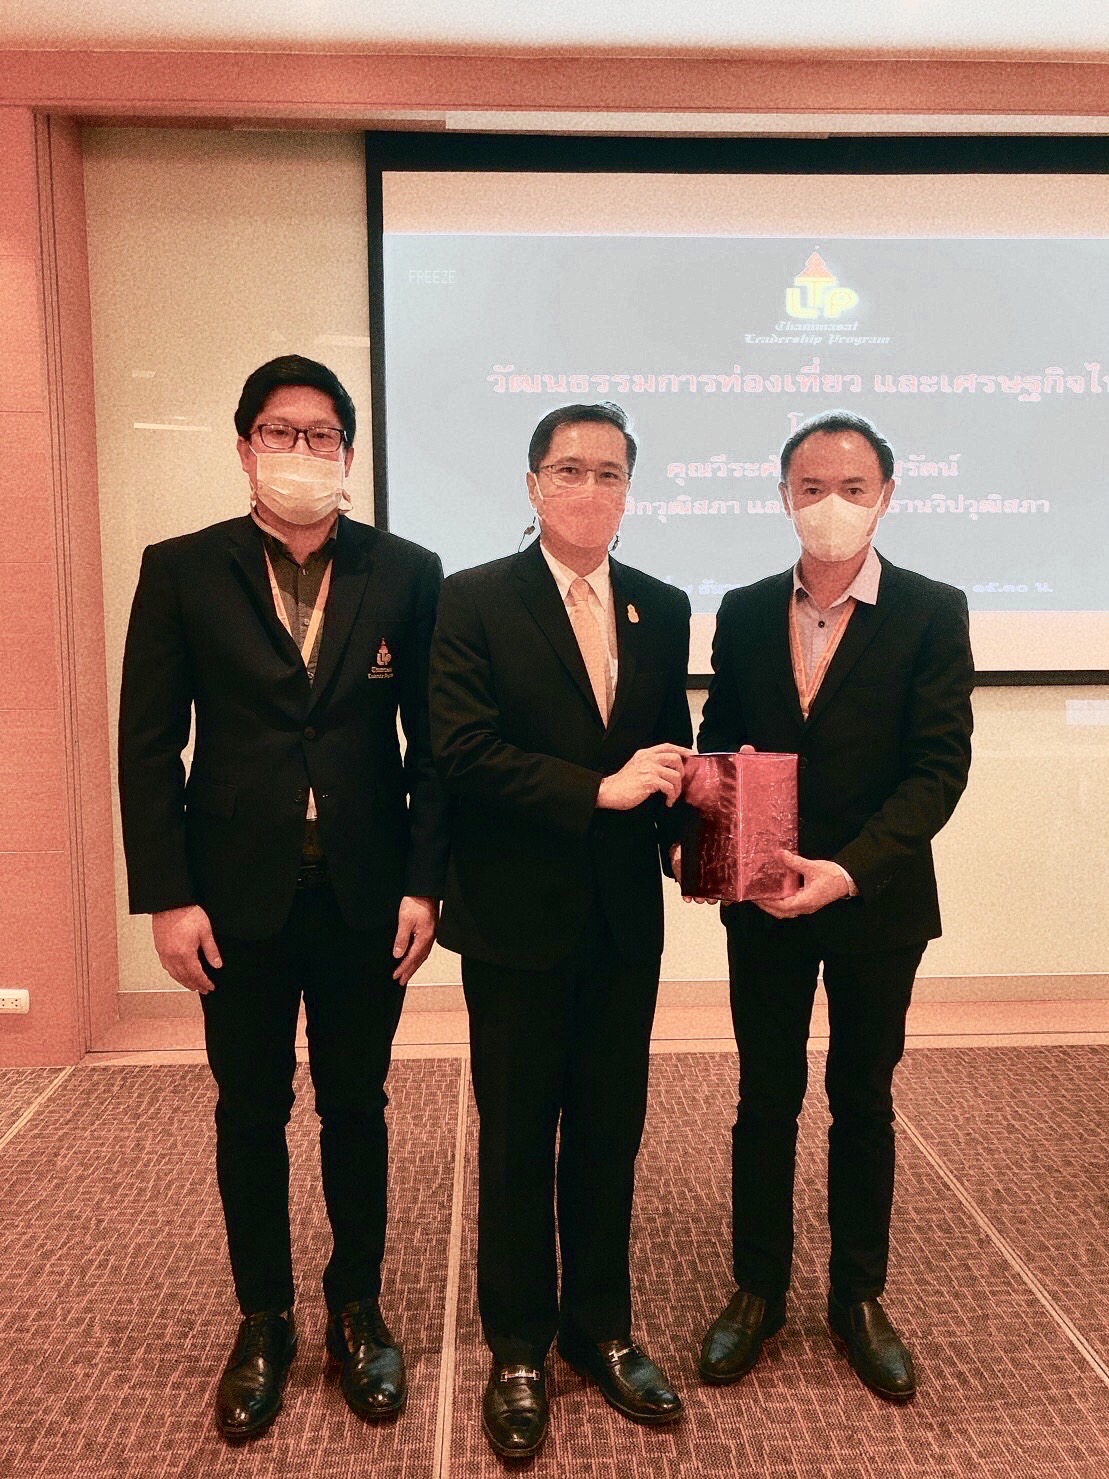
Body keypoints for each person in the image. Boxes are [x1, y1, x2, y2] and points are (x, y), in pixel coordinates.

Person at [118, 355, 447, 1440]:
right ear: (244, 445)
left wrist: (424, 882)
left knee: (357, 1105)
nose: (300, 451)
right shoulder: (181, 568)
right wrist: (167, 896)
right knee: (249, 1110)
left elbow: (432, 747)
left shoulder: (405, 571)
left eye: (321, 435)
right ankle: (263, 1319)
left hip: (365, 894)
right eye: (278, 431)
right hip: (234, 898)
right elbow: (148, 745)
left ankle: (358, 1309)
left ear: (346, 452)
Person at [694, 410, 974, 1402]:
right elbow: (721, 738)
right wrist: (711, 843)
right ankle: (756, 1290)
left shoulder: (932, 610)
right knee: (763, 1097)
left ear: (885, 497)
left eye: (852, 488)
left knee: (861, 1098)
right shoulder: (741, 609)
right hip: (764, 901)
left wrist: (847, 869)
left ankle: (856, 1297)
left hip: (873, 902)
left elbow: (937, 769)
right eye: (810, 487)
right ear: (783, 496)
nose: (830, 505)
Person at [430, 403, 692, 1458]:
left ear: (630, 491)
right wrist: (599, 790)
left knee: (608, 1132)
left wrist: (696, 841)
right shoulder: (472, 599)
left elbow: (667, 751)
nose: (590, 489)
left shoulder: (661, 605)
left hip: (623, 923)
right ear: (532, 483)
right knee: (514, 1137)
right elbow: (461, 749)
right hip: (514, 919)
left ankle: (600, 1327)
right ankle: (517, 1347)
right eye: (570, 469)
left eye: (609, 472)